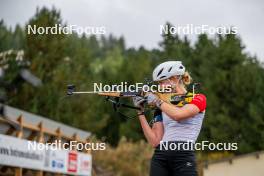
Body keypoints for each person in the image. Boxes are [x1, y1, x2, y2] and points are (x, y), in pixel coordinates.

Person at [133, 61, 206, 176]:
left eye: (162, 82)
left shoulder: (198, 98)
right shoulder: (163, 105)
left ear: (175, 78)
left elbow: (178, 115)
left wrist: (157, 101)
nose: (159, 87)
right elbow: (155, 141)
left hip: (183, 154)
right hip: (160, 155)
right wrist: (140, 112)